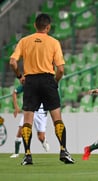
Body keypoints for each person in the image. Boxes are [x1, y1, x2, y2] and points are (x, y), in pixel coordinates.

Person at [9, 13, 74, 165]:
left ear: (35, 26)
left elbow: (12, 62)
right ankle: (63, 150)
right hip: (47, 80)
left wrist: (20, 76)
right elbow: (61, 69)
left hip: (30, 81)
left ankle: (27, 155)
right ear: (48, 27)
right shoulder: (53, 42)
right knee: (57, 118)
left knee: (27, 121)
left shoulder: (24, 41)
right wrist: (55, 82)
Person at [10, 85, 49, 158]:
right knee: (21, 131)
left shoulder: (44, 81)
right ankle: (16, 153)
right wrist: (16, 107)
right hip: (29, 109)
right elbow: (14, 93)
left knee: (40, 137)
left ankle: (44, 140)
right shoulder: (28, 82)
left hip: (41, 111)